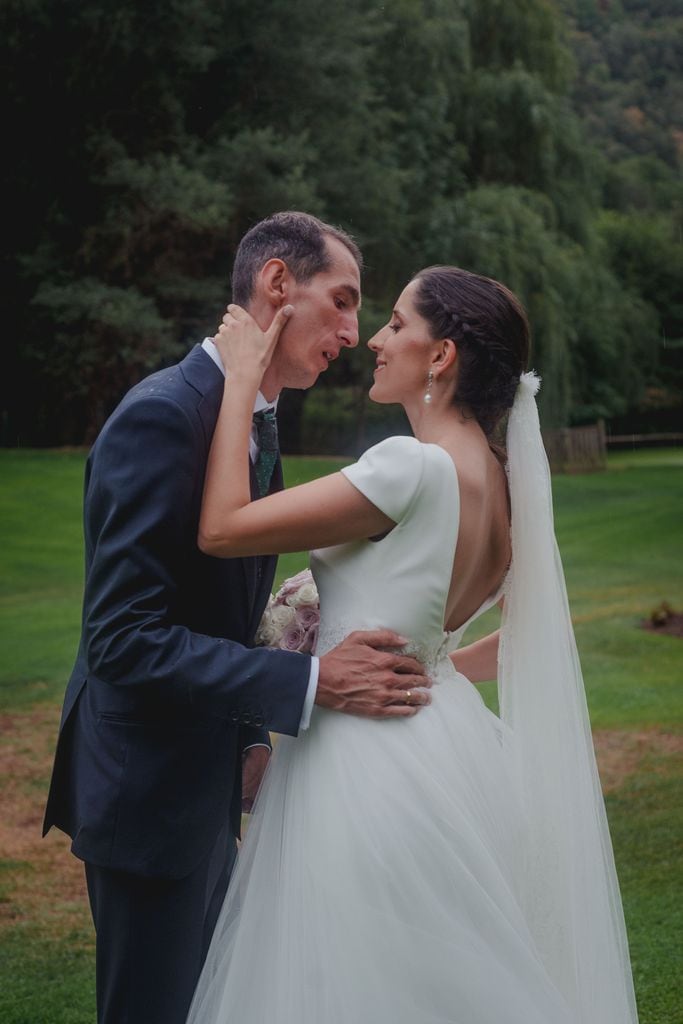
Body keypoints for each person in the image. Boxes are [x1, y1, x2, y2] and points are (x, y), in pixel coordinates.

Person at [186, 266, 639, 1023]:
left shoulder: (409, 467)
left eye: (395, 323)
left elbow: (221, 528)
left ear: (440, 356)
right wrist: (427, 669)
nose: (374, 337)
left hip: (363, 764)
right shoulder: (500, 483)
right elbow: (523, 639)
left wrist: (240, 379)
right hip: (451, 746)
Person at [42, 212, 430, 1024]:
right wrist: (313, 681)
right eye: (343, 301)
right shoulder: (163, 415)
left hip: (208, 781)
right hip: (146, 794)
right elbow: (122, 638)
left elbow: (220, 612)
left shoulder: (251, 418)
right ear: (277, 284)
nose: (355, 334)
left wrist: (252, 739)